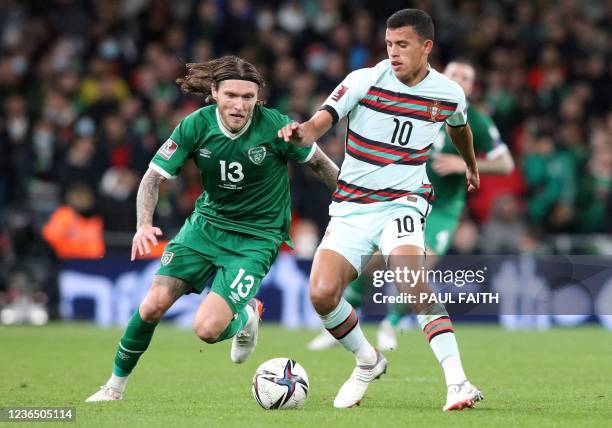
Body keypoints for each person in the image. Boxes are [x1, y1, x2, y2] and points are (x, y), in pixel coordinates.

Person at [86, 56, 339, 402]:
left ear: (258, 99)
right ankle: (113, 388)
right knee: (151, 306)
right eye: (231, 95)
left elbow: (322, 165)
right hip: (205, 227)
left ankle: (246, 313)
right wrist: (143, 224)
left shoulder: (276, 127)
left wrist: (352, 206)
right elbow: (153, 177)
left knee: (206, 330)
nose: (239, 105)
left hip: (256, 238)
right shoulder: (195, 125)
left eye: (248, 97)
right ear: (215, 92)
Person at [278, 9, 483, 410]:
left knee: (410, 282)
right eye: (389, 44)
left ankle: (459, 383)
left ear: (426, 47)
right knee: (321, 295)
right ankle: (367, 359)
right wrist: (301, 133)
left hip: (403, 202)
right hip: (353, 205)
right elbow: (323, 120)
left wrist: (471, 164)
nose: (393, 52)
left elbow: (460, 128)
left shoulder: (447, 93)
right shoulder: (364, 80)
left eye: (402, 45)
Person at [308, 58, 515, 351]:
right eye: (455, 73)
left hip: (442, 210)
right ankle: (343, 323)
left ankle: (390, 324)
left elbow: (505, 163)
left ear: (471, 86)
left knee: (416, 270)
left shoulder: (475, 121)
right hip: (401, 201)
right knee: (370, 266)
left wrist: (464, 162)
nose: (459, 80)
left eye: (466, 77)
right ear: (444, 74)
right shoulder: (419, 105)